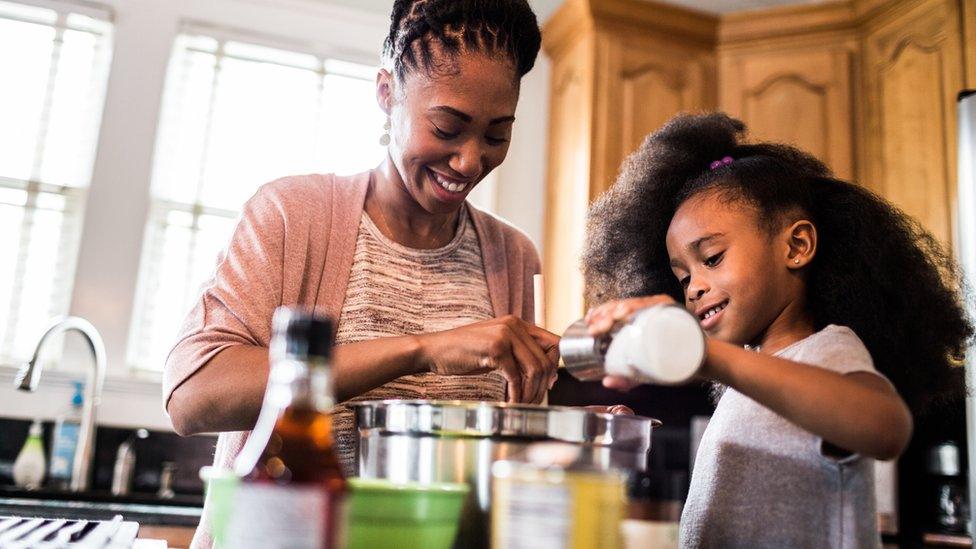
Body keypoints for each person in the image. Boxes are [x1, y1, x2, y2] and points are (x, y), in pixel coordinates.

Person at [163, 1, 559, 546]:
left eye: (496, 135)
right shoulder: (291, 215)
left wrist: (570, 429)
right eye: (448, 127)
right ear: (386, 93)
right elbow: (193, 395)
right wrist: (421, 348)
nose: (470, 162)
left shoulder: (513, 256)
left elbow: (506, 454)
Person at [581, 113, 973, 548]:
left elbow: (886, 427)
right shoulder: (746, 381)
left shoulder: (826, 351)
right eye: (682, 277)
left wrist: (705, 355)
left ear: (796, 246)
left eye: (711, 258)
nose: (694, 288)